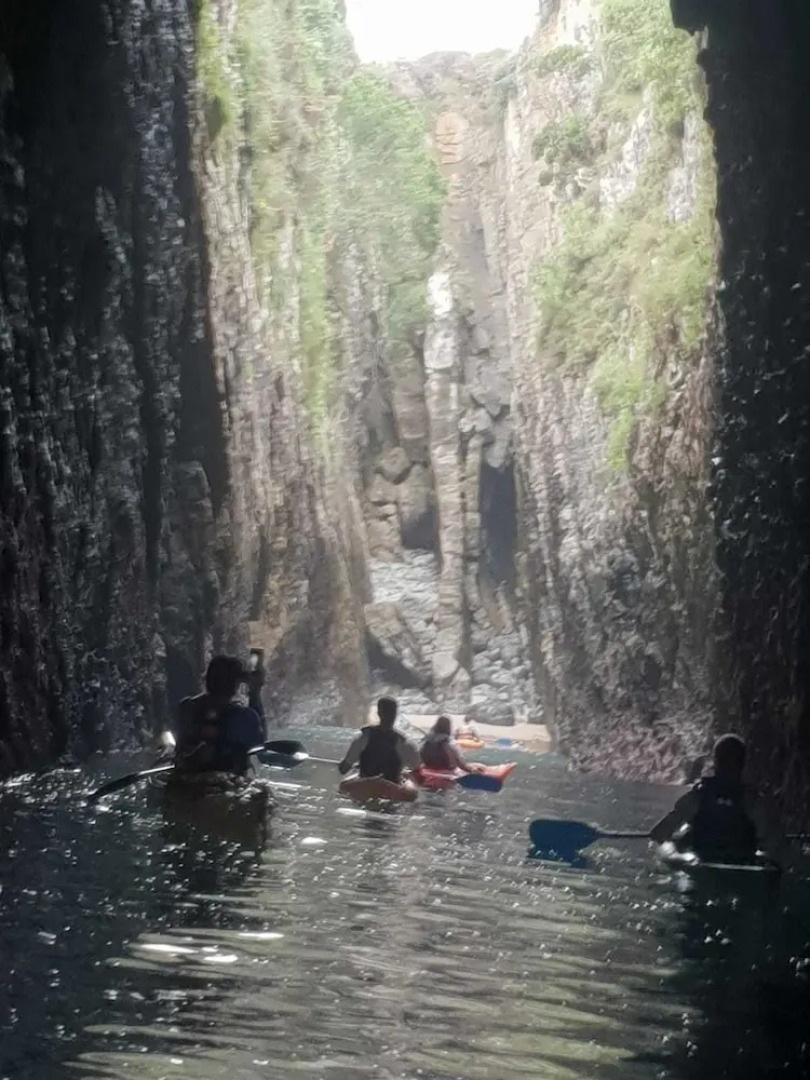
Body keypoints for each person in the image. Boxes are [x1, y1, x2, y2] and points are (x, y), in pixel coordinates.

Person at [650, 733, 787, 866]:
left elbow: (659, 833)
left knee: (678, 838)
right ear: (742, 764)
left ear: (716, 762)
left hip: (702, 859)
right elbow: (775, 842)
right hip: (741, 860)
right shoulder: (752, 800)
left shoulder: (700, 795)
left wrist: (674, 849)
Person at [174, 656, 265, 775]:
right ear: (237, 684)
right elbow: (260, 745)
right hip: (229, 786)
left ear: (207, 679)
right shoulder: (244, 717)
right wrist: (255, 693)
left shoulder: (187, 707)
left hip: (186, 782)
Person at [338, 696, 420, 782]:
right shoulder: (404, 743)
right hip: (392, 787)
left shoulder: (362, 737)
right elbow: (416, 768)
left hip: (365, 785)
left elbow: (343, 769)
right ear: (395, 714)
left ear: (379, 713)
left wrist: (343, 764)